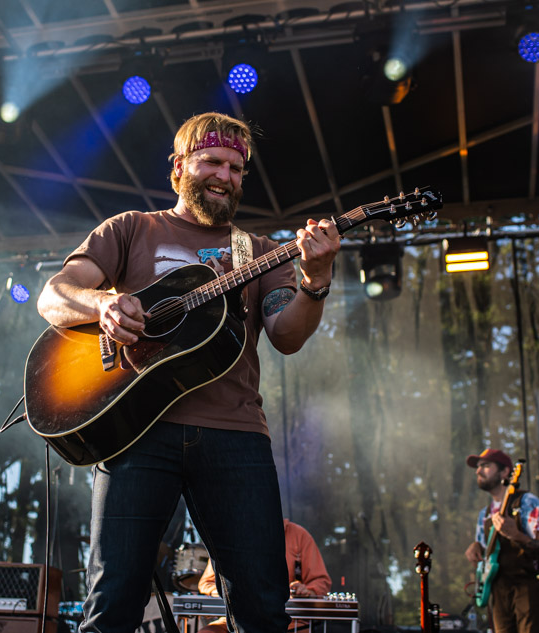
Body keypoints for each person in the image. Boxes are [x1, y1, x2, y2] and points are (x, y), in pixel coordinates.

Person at [36, 112, 341, 633]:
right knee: (112, 604)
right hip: (134, 430)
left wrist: (315, 281)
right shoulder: (131, 229)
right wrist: (104, 304)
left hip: (236, 434)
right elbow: (54, 294)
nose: (226, 176)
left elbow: (287, 336)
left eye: (237, 168)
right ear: (179, 168)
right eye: (213, 162)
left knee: (263, 605)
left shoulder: (262, 253)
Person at [463, 448, 539, 633]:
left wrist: (517, 535)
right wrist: (476, 548)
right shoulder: (485, 514)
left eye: (486, 466)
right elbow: (488, 557)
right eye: (478, 467)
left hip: (530, 590)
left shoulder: (528, 503)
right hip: (499, 594)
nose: (478, 471)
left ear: (505, 472)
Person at [196, 519, 332, 633]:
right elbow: (207, 583)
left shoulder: (298, 535)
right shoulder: (232, 535)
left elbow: (320, 581)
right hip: (235, 619)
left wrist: (307, 591)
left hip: (289, 622)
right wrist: (231, 591)